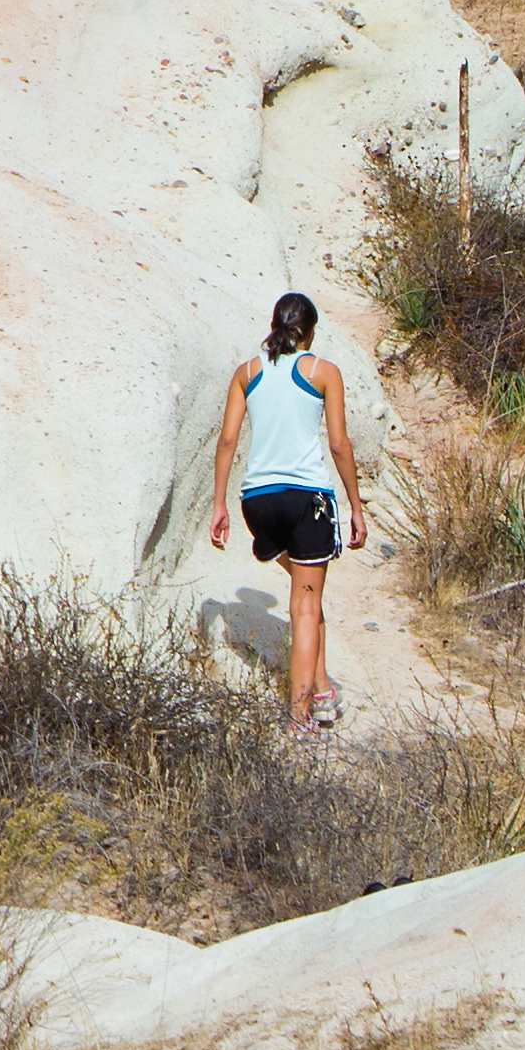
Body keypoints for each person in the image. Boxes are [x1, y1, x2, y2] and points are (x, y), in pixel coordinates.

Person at [196, 291, 368, 730]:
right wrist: (355, 506)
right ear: (310, 332)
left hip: (258, 501)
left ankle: (323, 687)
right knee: (305, 608)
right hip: (306, 500)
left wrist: (219, 504)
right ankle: (300, 716)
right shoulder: (323, 371)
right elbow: (338, 444)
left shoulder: (247, 372)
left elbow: (228, 441)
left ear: (274, 325)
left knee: (308, 593)